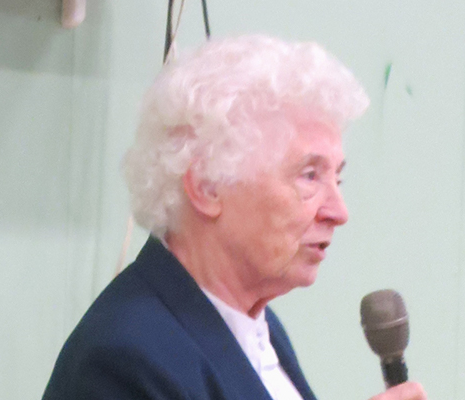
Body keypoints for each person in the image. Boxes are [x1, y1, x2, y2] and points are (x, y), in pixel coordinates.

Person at [42, 35, 427, 400]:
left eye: (337, 178)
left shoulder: (257, 327)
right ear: (207, 186)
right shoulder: (126, 358)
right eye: (309, 176)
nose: (338, 212)